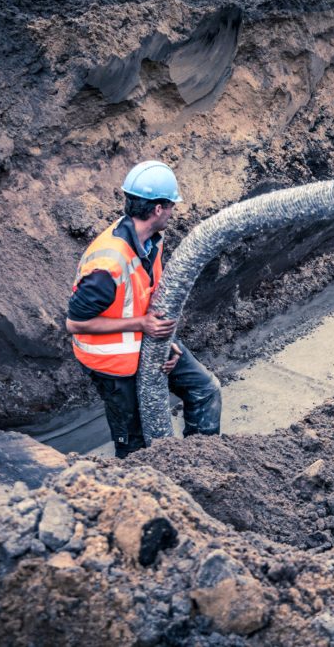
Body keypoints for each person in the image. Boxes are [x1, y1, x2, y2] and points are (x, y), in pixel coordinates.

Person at [65, 160, 221, 458]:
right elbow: (75, 324)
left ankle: (203, 464)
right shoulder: (107, 264)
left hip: (148, 343)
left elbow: (149, 300)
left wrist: (167, 342)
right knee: (134, 445)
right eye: (172, 206)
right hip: (111, 364)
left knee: (205, 391)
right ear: (158, 209)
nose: (174, 212)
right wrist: (143, 325)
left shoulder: (151, 241)